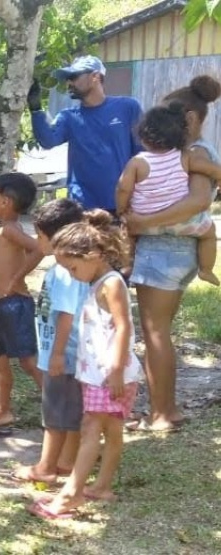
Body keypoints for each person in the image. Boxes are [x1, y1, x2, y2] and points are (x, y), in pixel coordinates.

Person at [29, 211, 143, 519]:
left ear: (92, 255)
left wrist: (116, 369)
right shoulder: (97, 282)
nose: (73, 274)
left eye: (74, 267)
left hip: (109, 374)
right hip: (98, 374)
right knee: (112, 429)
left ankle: (71, 494)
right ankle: (101, 486)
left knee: (92, 427)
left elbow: (123, 328)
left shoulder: (111, 284)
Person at [124, 75, 221, 432]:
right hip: (174, 251)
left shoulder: (196, 153)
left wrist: (143, 221)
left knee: (155, 334)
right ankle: (166, 410)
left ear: (191, 120)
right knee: (158, 333)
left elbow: (197, 201)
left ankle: (163, 414)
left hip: (164, 251)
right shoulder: (186, 155)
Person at [11, 199, 88, 485]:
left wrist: (56, 355)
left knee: (54, 416)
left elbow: (66, 316)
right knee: (71, 412)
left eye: (39, 235)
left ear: (56, 238)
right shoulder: (71, 268)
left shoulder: (64, 273)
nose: (36, 241)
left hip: (63, 355)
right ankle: (67, 461)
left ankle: (46, 467)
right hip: (68, 355)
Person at [116, 104, 221, 285]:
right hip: (184, 221)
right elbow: (211, 169)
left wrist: (122, 209)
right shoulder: (185, 157)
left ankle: (128, 265)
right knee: (209, 232)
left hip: (143, 222)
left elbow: (123, 188)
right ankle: (206, 270)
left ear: (143, 137)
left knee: (126, 233)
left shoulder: (137, 162)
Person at [28, 55, 143, 213]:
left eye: (74, 77)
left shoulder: (128, 107)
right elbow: (48, 141)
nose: (69, 83)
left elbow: (141, 152)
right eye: (68, 78)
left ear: (95, 76)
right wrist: (35, 109)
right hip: (81, 207)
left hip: (121, 203)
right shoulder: (68, 116)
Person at [0, 172, 42, 433]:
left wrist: (17, 277)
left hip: (16, 304)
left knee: (28, 361)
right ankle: (2, 410)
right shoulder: (6, 229)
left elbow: (41, 249)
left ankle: (62, 405)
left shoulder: (9, 230)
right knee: (1, 359)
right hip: (4, 306)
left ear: (5, 202)